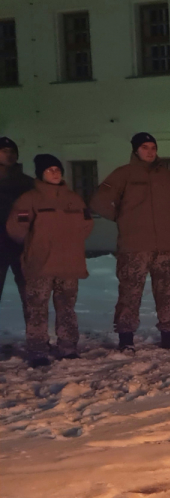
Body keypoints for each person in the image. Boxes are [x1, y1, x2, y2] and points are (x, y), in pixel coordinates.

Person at [91, 132, 170, 350]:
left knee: (166, 291)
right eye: (145, 147)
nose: (150, 151)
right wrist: (123, 218)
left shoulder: (167, 176)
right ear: (135, 150)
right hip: (134, 246)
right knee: (130, 291)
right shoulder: (123, 174)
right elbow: (99, 201)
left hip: (164, 245)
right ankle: (126, 337)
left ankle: (169, 334)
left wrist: (164, 219)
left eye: (153, 147)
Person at [5, 154, 93, 367]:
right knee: (37, 309)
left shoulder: (74, 199)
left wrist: (68, 242)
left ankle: (68, 348)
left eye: (57, 169)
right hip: (40, 265)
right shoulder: (30, 199)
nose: (55, 173)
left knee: (67, 309)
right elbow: (15, 228)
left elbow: (86, 225)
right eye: (49, 169)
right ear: (40, 173)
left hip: (69, 265)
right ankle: (38, 350)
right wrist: (37, 244)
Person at [1, 136, 35, 314]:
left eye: (12, 151)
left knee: (30, 295)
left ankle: (35, 337)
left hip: (21, 245)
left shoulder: (27, 183)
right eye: (4, 151)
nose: (9, 155)